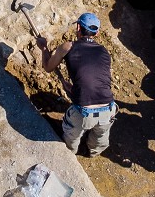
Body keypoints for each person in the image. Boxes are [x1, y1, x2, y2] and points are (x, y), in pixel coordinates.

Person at [40, 12, 115, 157]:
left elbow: (48, 67)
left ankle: (70, 155)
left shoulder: (68, 47)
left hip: (84, 112)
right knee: (100, 137)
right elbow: (99, 82)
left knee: (71, 135)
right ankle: (93, 152)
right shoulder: (104, 52)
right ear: (97, 33)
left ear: (78, 27)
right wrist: (74, 90)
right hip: (108, 108)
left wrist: (43, 48)